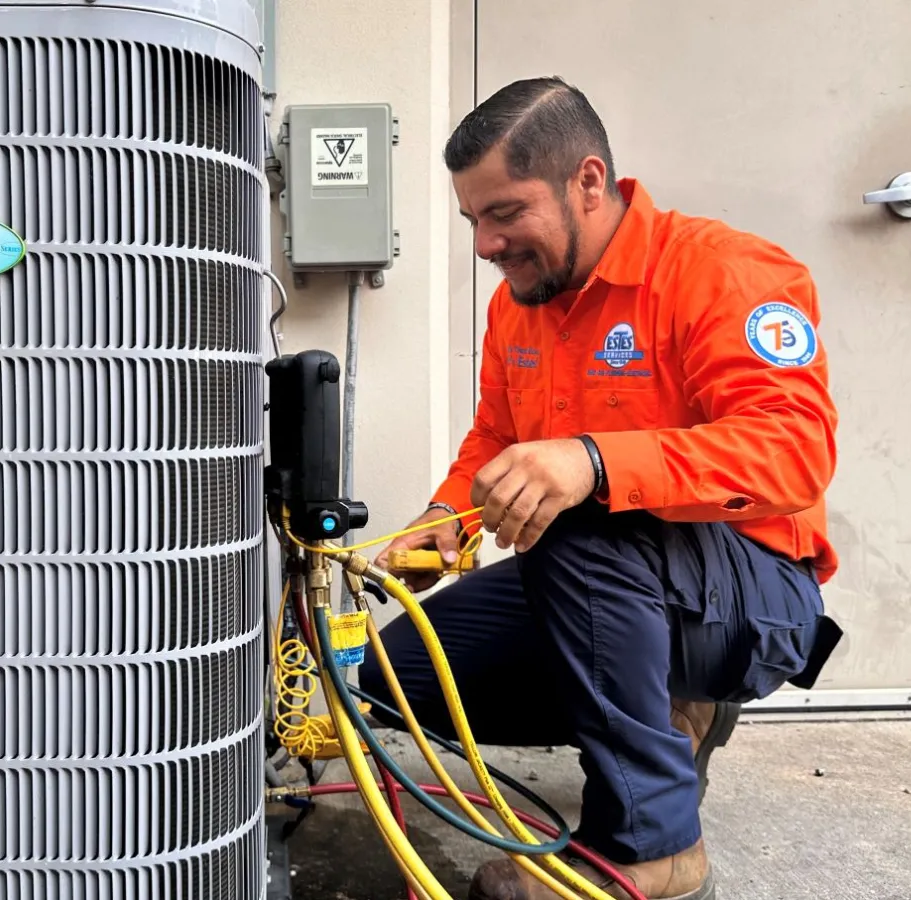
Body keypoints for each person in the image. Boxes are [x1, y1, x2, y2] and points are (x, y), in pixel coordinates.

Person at [360, 76, 845, 900]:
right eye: (473, 219)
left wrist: (593, 462)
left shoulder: (721, 272)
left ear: (587, 182)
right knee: (399, 672)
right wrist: (446, 517)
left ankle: (652, 846)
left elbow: (794, 451)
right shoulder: (523, 304)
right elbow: (497, 439)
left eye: (505, 213)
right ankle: (661, 718)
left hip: (754, 593)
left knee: (582, 514)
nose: (485, 244)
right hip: (618, 577)